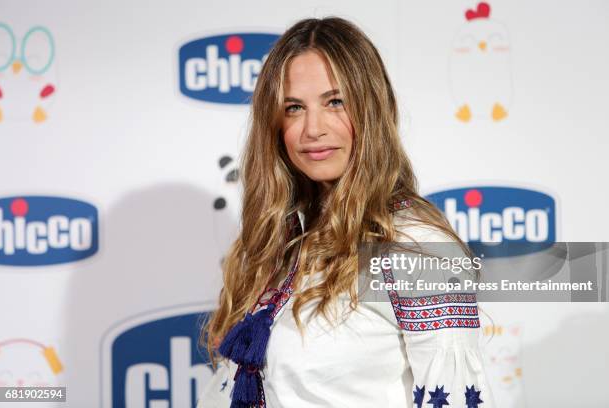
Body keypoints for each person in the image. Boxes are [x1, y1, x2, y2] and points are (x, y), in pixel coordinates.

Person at [198, 16, 495, 408]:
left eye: (335, 102)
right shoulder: (282, 245)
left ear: (371, 109)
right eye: (293, 108)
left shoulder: (416, 246)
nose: (313, 128)